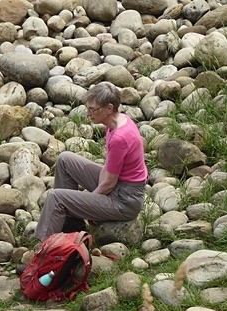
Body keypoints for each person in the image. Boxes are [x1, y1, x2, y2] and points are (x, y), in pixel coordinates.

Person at [34, 82, 148, 242]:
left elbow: (109, 183)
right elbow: (108, 168)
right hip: (118, 186)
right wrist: (85, 205)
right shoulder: (118, 121)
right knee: (65, 159)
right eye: (88, 108)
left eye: (93, 109)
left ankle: (44, 253)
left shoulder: (120, 138)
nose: (88, 114)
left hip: (125, 201)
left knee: (56, 197)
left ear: (109, 108)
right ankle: (71, 225)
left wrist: (89, 205)